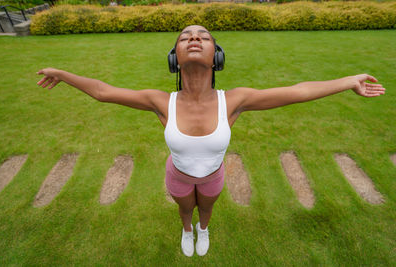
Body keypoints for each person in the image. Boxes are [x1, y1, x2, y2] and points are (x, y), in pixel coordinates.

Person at [36, 25, 386, 257]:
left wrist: (348, 80)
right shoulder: (162, 102)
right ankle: (187, 231)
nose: (194, 38)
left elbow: (297, 92)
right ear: (175, 56)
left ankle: (204, 230)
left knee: (207, 207)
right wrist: (63, 75)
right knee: (184, 208)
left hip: (215, 175)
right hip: (178, 175)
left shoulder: (233, 100)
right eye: (186, 36)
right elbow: (103, 91)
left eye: (203, 36)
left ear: (215, 55)